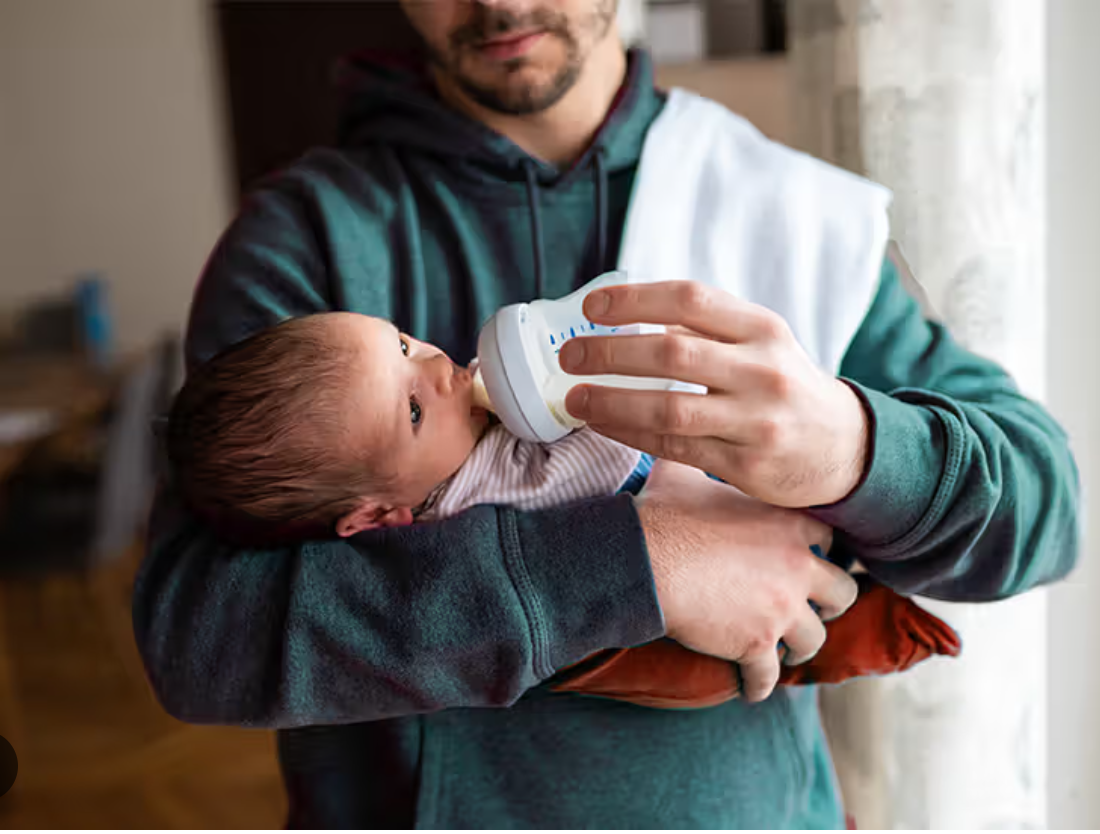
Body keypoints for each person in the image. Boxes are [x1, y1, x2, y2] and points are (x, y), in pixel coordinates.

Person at [134, 0, 1080, 827]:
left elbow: (1047, 512)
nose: (498, 3)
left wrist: (852, 447)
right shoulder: (306, 245)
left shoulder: (786, 213)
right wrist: (640, 563)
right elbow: (199, 639)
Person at [161, 311, 960, 708]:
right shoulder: (464, 521)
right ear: (374, 519)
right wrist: (661, 558)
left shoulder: (464, 412)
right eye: (410, 411)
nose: (439, 368)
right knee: (747, 660)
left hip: (748, 503)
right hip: (658, 645)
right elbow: (197, 645)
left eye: (403, 342)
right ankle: (863, 637)